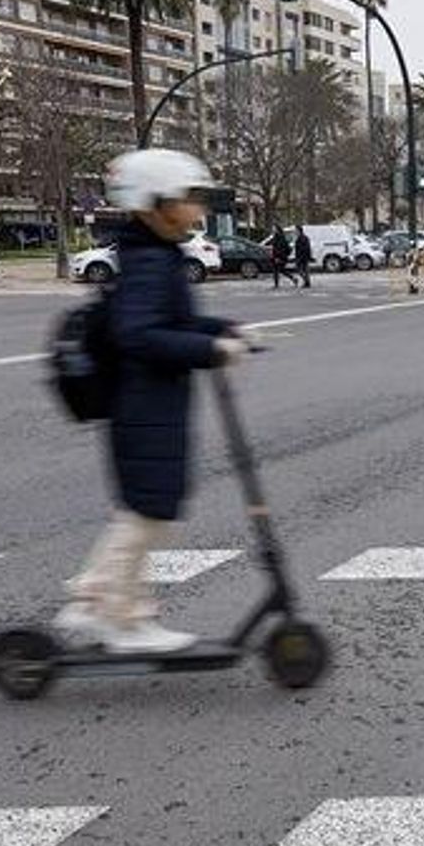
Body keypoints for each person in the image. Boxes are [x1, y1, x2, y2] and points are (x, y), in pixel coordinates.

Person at [54, 148, 250, 654]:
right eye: (191, 200)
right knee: (148, 514)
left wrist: (221, 330)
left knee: (144, 514)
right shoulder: (147, 262)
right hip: (143, 407)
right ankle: (117, 617)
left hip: (151, 405)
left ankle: (97, 601)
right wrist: (208, 348)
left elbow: (171, 323)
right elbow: (138, 334)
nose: (199, 211)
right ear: (156, 203)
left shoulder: (154, 255)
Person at [268, 225, 290, 289]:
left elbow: (280, 248)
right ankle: (276, 284)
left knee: (278, 270)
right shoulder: (275, 236)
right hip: (275, 256)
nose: (272, 229)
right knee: (278, 270)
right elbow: (274, 246)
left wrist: (278, 257)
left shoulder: (280, 237)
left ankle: (276, 284)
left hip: (279, 256)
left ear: (277, 229)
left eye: (274, 228)